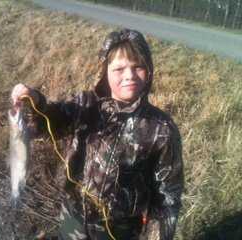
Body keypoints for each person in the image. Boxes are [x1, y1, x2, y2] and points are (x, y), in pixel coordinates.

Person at [11, 29, 184, 240]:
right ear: (105, 72)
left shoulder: (161, 129)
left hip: (119, 231)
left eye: (138, 67)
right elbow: (47, 123)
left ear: (149, 71)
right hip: (72, 218)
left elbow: (168, 197)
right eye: (119, 68)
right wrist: (34, 100)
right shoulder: (85, 104)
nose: (129, 75)